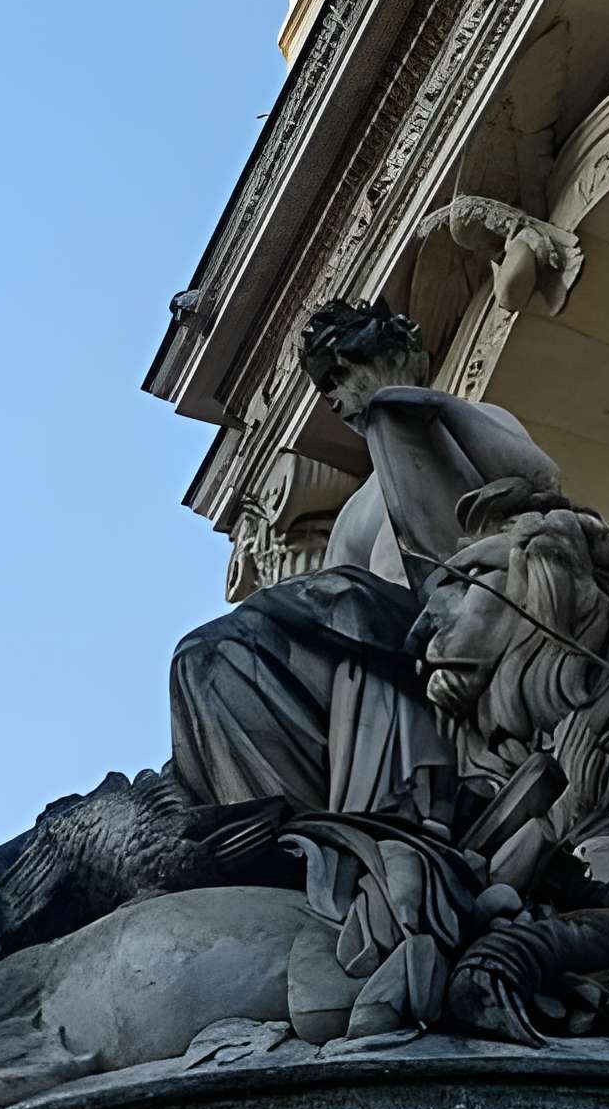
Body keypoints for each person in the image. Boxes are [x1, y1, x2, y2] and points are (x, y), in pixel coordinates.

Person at [168, 299, 560, 816]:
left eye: (339, 373)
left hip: (468, 623)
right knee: (207, 655)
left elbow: (539, 481)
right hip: (388, 652)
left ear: (388, 351)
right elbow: (328, 605)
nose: (332, 399)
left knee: (329, 605)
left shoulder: (466, 420)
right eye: (323, 387)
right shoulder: (354, 510)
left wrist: (412, 406)